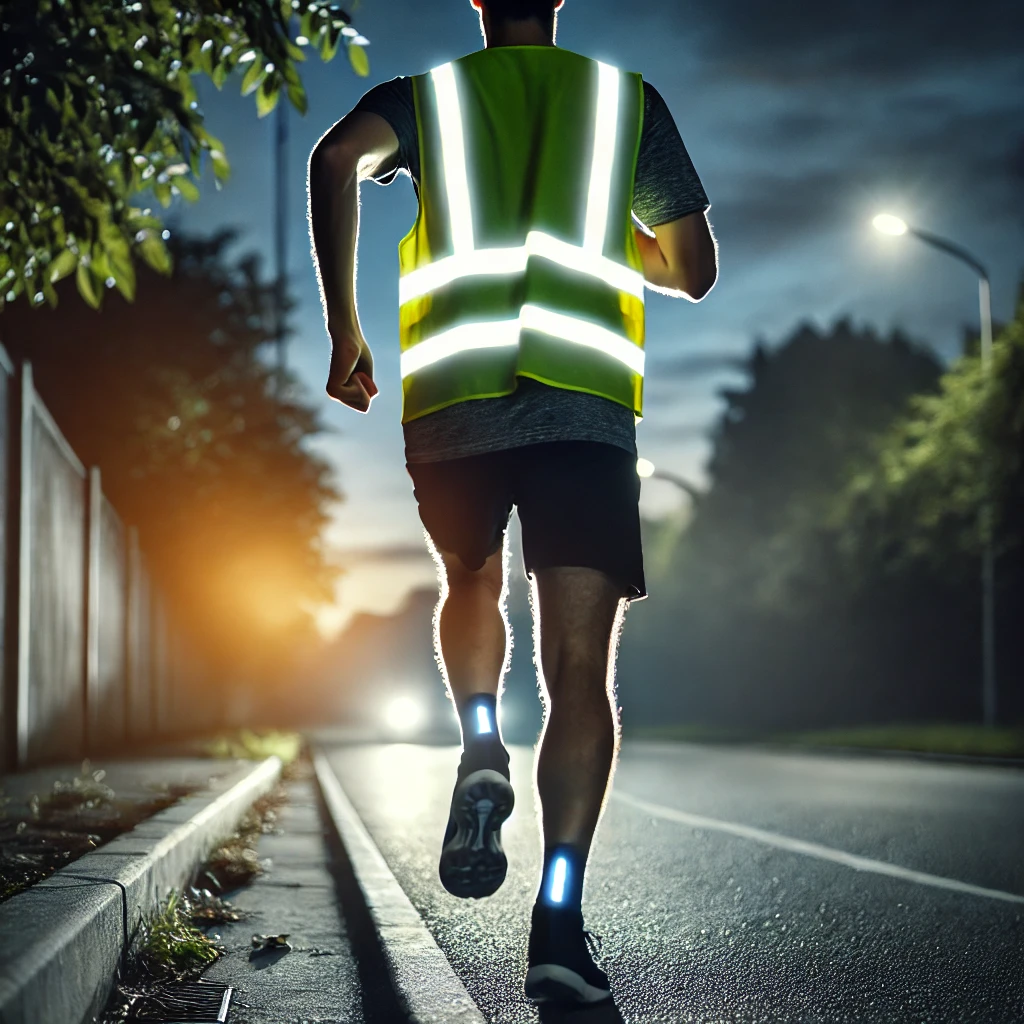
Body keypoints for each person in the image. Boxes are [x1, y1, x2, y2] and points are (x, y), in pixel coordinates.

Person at [308, 0, 717, 1006]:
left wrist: (346, 332)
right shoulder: (627, 104)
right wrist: (601, 234)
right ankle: (557, 923)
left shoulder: (427, 100)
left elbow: (330, 161)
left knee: (469, 580)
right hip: (581, 409)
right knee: (582, 665)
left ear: (479, 3)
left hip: (456, 395)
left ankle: (482, 736)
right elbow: (694, 272)